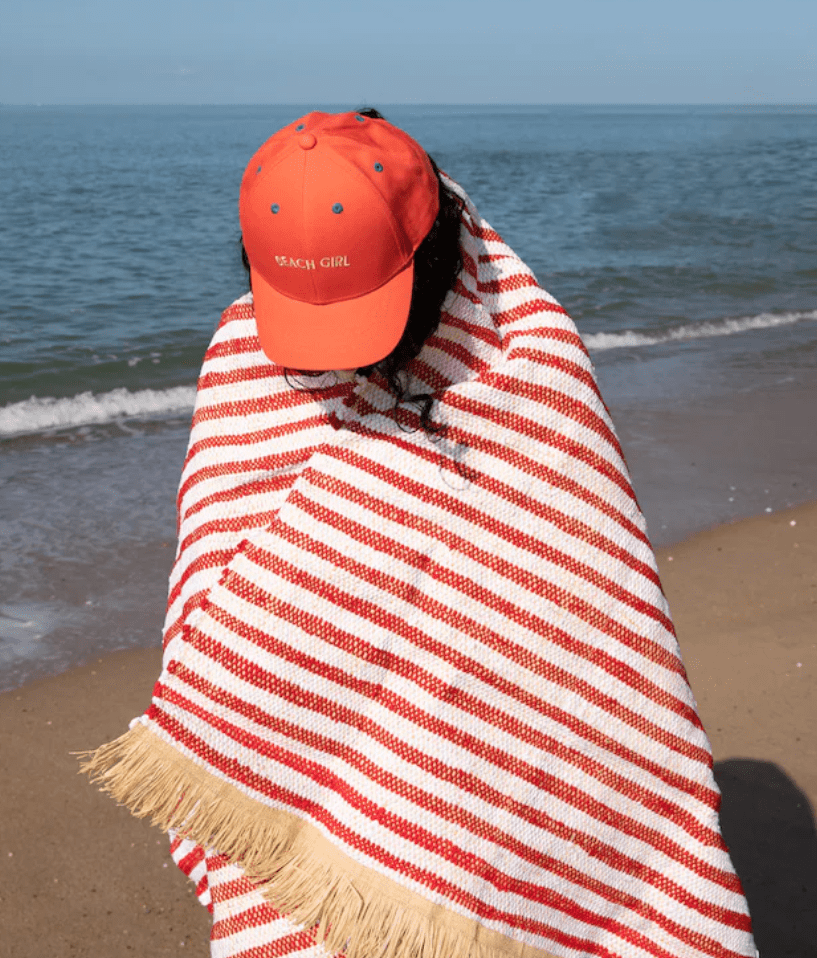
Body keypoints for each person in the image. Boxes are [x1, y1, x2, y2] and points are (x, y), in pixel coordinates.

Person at [84, 110, 758, 958]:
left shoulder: (529, 359)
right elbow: (215, 611)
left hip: (515, 787)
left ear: (433, 255)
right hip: (302, 800)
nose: (342, 362)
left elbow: (586, 632)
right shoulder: (241, 353)